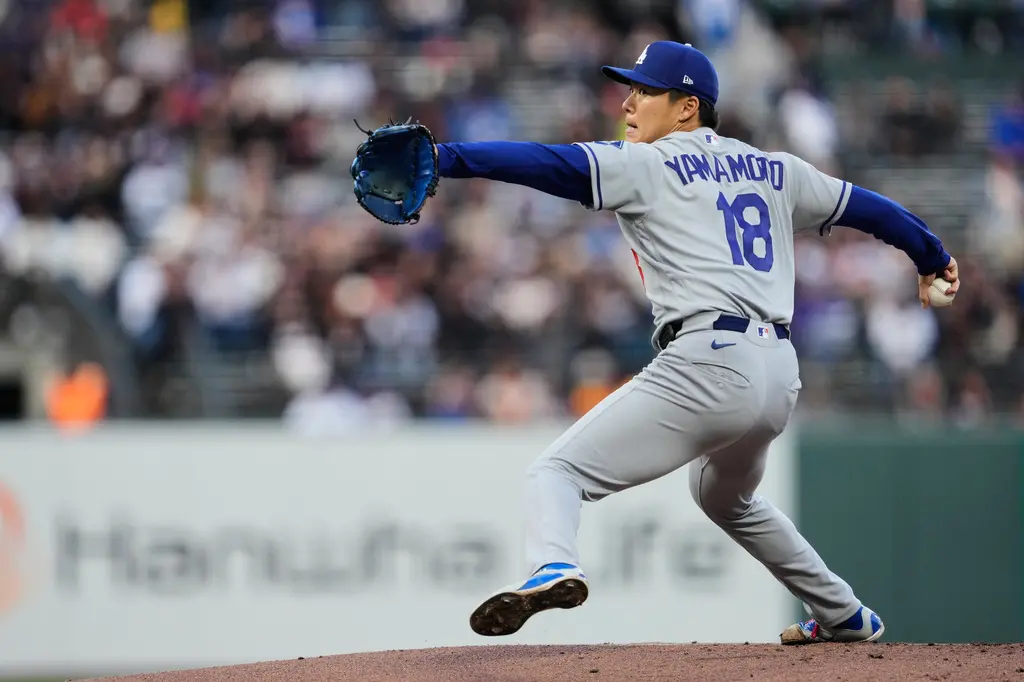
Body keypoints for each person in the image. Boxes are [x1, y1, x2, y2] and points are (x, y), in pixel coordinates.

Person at [430, 41, 959, 644]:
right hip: (778, 374)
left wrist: (444, 157)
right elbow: (873, 210)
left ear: (687, 107)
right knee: (725, 498)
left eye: (645, 91)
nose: (627, 103)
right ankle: (844, 613)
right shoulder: (777, 169)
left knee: (557, 471)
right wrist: (932, 257)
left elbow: (543, 162)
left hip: (708, 360)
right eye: (629, 89)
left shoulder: (647, 163)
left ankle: (553, 563)